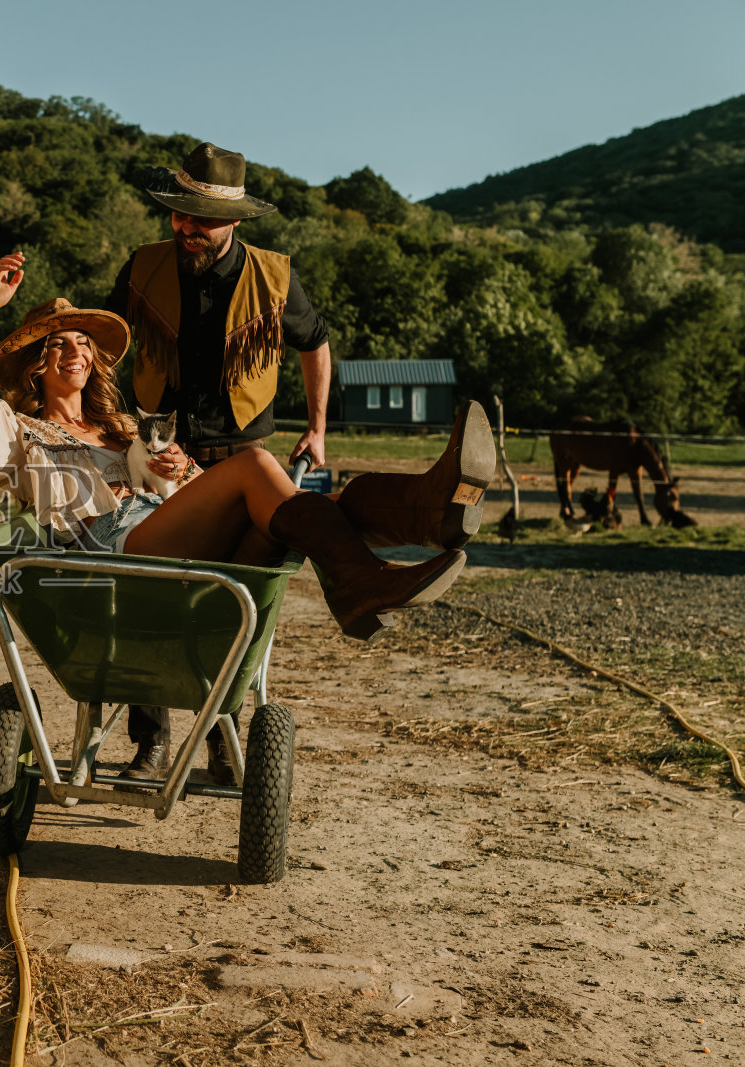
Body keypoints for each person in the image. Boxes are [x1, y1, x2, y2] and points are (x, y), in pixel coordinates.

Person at [101, 142, 484, 781]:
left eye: (202, 218)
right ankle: (417, 520)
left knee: (237, 598)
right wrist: (110, 426)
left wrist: (318, 426)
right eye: (179, 214)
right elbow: (106, 340)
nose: (187, 228)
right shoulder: (144, 266)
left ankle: (223, 742)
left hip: (240, 450)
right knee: (165, 597)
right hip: (164, 454)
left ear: (236, 222)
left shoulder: (273, 277)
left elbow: (317, 342)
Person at [0, 253, 489, 664]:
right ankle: (378, 561)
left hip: (165, 538)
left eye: (82, 341)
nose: (75, 350)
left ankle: (425, 514)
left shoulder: (125, 428)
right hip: (106, 558)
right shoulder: (18, 430)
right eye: (57, 343)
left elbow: (181, 492)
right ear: (37, 363)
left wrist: (176, 471)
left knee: (295, 509)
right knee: (255, 465)